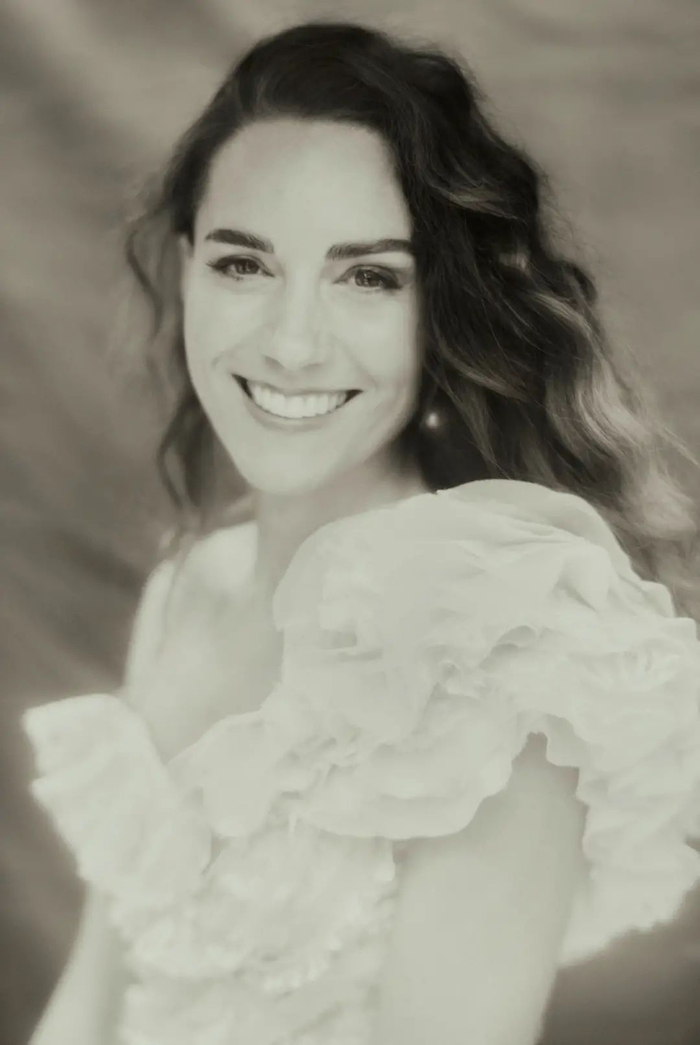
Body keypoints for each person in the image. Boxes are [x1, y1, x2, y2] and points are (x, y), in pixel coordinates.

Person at [21, 19, 700, 1045]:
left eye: (368, 276)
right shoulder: (188, 587)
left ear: (442, 309)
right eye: (244, 265)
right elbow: (93, 1002)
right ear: (187, 269)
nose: (292, 343)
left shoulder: (500, 649)